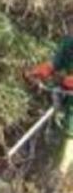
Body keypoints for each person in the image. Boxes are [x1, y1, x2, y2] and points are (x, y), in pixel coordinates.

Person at [24, 32, 73, 179]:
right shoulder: (69, 43)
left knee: (71, 131)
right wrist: (35, 73)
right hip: (66, 93)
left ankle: (61, 173)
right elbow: (53, 64)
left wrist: (66, 81)